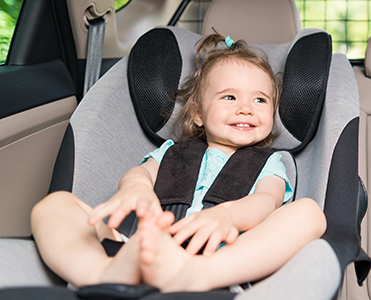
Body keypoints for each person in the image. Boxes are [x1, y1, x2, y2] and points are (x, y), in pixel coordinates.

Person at [31, 33, 327, 293]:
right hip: (142, 247)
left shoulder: (271, 162)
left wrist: (228, 217)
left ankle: (194, 275)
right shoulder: (171, 152)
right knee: (54, 205)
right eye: (230, 97)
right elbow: (141, 173)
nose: (246, 109)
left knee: (309, 213)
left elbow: (267, 200)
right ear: (197, 113)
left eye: (260, 101)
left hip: (220, 256)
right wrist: (136, 190)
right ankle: (102, 273)